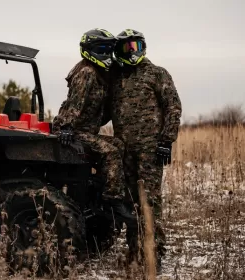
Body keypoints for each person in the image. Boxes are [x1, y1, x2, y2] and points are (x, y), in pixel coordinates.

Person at [52, 28, 138, 255]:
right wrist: (67, 127)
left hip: (86, 130)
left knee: (118, 145)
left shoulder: (100, 74)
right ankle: (113, 200)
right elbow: (74, 104)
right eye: (101, 49)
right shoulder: (87, 73)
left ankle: (107, 188)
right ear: (88, 51)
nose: (106, 54)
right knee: (109, 151)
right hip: (75, 130)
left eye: (108, 49)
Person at [107, 28, 182, 272]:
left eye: (136, 46)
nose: (132, 52)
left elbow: (173, 107)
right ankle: (134, 252)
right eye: (127, 47)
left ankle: (154, 254)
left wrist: (166, 140)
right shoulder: (117, 77)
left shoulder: (156, 73)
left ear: (143, 47)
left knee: (149, 201)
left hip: (151, 149)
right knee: (129, 202)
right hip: (124, 150)